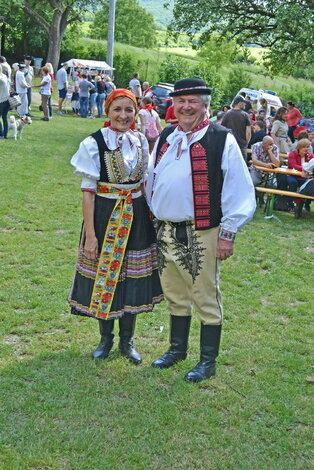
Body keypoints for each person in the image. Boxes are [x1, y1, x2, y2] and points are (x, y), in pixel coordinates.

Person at [146, 78, 256, 383]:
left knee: (205, 296)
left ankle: (207, 361)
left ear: (204, 105)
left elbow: (239, 188)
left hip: (202, 231)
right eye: (180, 101)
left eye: (193, 101)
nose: (186, 107)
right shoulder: (167, 136)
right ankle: (177, 350)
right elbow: (151, 176)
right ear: (173, 105)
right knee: (174, 293)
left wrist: (229, 233)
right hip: (165, 228)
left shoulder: (221, 138)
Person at [68, 89, 163, 363]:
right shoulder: (94, 143)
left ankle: (127, 341)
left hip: (136, 216)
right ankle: (105, 339)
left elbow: (146, 183)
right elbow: (88, 192)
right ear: (108, 111)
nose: (123, 115)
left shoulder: (141, 141)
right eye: (117, 109)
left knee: (132, 276)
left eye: (129, 110)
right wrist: (90, 236)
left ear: (136, 113)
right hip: (105, 216)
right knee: (105, 275)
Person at [221, 95, 251, 161]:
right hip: (241, 146)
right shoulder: (245, 115)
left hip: (229, 145)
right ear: (240, 103)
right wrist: (246, 144)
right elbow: (248, 132)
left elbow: (222, 129)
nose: (245, 104)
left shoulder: (227, 114)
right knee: (241, 168)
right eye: (243, 102)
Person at [0, 64, 10, 139]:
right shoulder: (4, 76)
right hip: (7, 99)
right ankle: (5, 134)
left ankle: (1, 134)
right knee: (4, 117)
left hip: (2, 100)